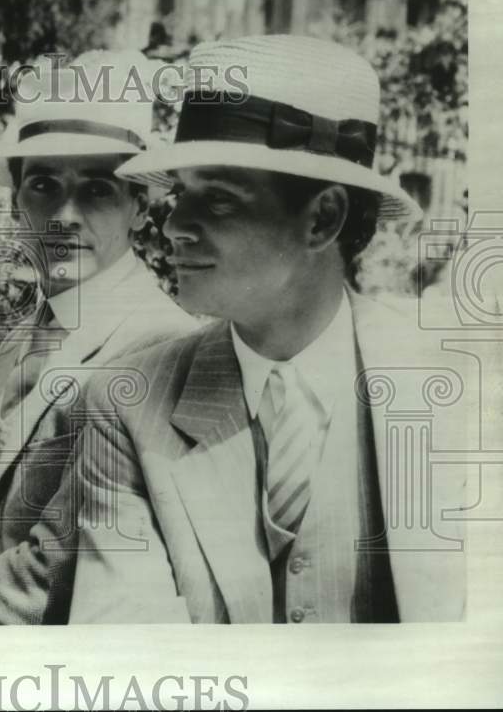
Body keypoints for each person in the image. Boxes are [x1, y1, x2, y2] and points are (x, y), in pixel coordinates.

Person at [68, 35, 469, 624]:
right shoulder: (128, 401)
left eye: (221, 199)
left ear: (324, 218)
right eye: (181, 192)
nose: (174, 224)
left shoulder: (449, 394)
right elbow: (129, 655)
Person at [0, 51, 197, 623]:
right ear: (15, 202)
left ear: (140, 208)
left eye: (96, 190)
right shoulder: (24, 336)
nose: (65, 213)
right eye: (43, 185)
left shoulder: (160, 351)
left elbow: (53, 569)